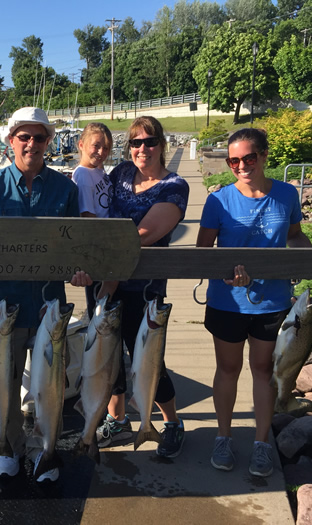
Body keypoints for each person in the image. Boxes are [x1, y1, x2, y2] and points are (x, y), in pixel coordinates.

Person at [196, 127, 312, 477]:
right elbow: (203, 253)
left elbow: (295, 236)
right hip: (227, 301)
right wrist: (227, 274)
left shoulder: (287, 194)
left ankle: (261, 444)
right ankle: (223, 437)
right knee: (228, 370)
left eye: (249, 158)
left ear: (264, 156)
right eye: (234, 160)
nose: (241, 166)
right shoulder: (218, 200)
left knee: (262, 371)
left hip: (271, 303)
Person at [0, 106, 91, 483]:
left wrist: (80, 271)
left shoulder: (66, 189)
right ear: (10, 141)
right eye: (24, 137)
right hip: (3, 308)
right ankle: (8, 447)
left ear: (49, 142)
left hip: (48, 311)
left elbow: (74, 249)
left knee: (49, 389)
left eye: (40, 137)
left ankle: (45, 452)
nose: (32, 144)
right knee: (2, 386)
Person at [96, 116, 189, 458]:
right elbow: (94, 204)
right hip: (106, 283)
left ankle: (172, 423)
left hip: (144, 290)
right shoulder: (120, 173)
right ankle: (116, 420)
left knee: (147, 361)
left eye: (149, 142)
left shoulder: (174, 186)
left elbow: (145, 236)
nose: (142, 149)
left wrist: (111, 273)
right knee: (108, 358)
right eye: (135, 143)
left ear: (161, 144)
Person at [71, 122, 113, 318]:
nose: (101, 151)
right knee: (99, 309)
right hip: (99, 251)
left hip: (107, 245)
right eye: (96, 145)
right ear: (81, 145)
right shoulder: (82, 175)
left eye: (106, 147)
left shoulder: (98, 171)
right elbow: (88, 216)